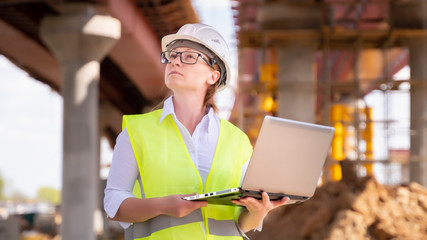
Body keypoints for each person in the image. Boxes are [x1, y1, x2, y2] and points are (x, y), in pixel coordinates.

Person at [104, 23, 289, 240]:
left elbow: (240, 223)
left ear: (213, 76)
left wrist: (258, 213)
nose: (175, 61)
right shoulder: (136, 132)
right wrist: (162, 205)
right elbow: (112, 204)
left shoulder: (237, 141)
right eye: (172, 55)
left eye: (189, 57)